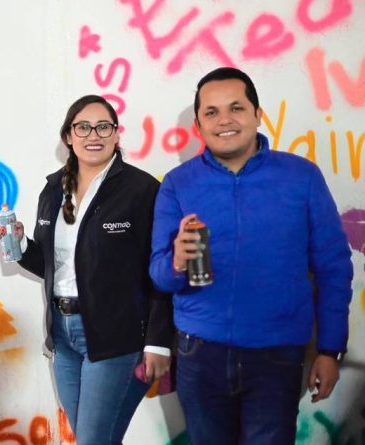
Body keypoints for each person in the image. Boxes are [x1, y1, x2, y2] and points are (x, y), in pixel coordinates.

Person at [149, 67, 354, 444]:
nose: (224, 120)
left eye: (236, 108)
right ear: (198, 125)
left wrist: (330, 350)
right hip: (199, 355)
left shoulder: (301, 176)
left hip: (277, 356)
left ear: (258, 115)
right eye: (211, 112)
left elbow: (334, 269)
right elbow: (160, 276)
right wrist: (177, 261)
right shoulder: (178, 184)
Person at [0, 95, 174, 444]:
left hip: (115, 338)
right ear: (68, 136)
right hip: (62, 337)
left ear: (116, 135)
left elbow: (161, 269)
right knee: (92, 438)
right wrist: (22, 246)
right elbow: (52, 265)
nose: (94, 134)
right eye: (83, 127)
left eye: (103, 126)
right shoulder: (52, 190)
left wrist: (157, 342)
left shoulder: (142, 190)